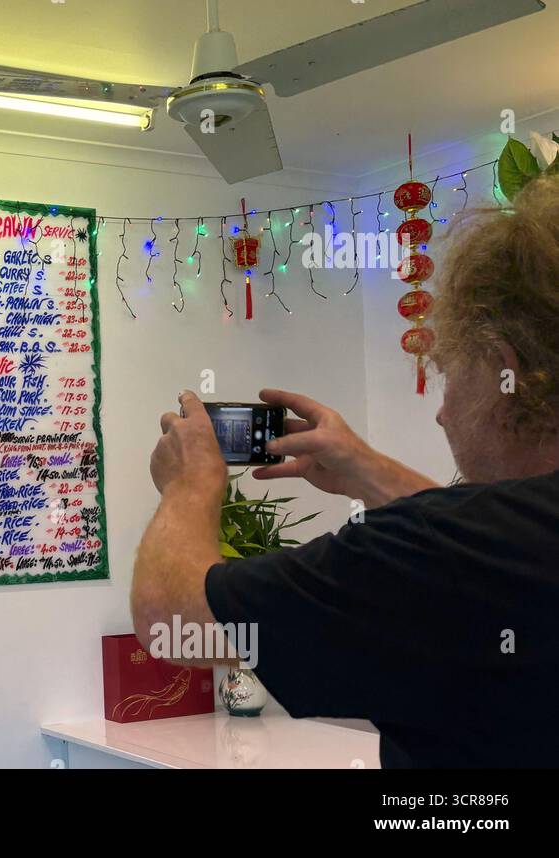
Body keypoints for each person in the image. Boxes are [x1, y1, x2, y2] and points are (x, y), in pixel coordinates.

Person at [131, 175, 559, 768]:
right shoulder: (496, 546)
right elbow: (494, 546)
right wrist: (366, 469)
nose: (440, 410)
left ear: (506, 375)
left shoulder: (441, 553)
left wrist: (189, 482)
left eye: (451, 373)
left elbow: (172, 618)